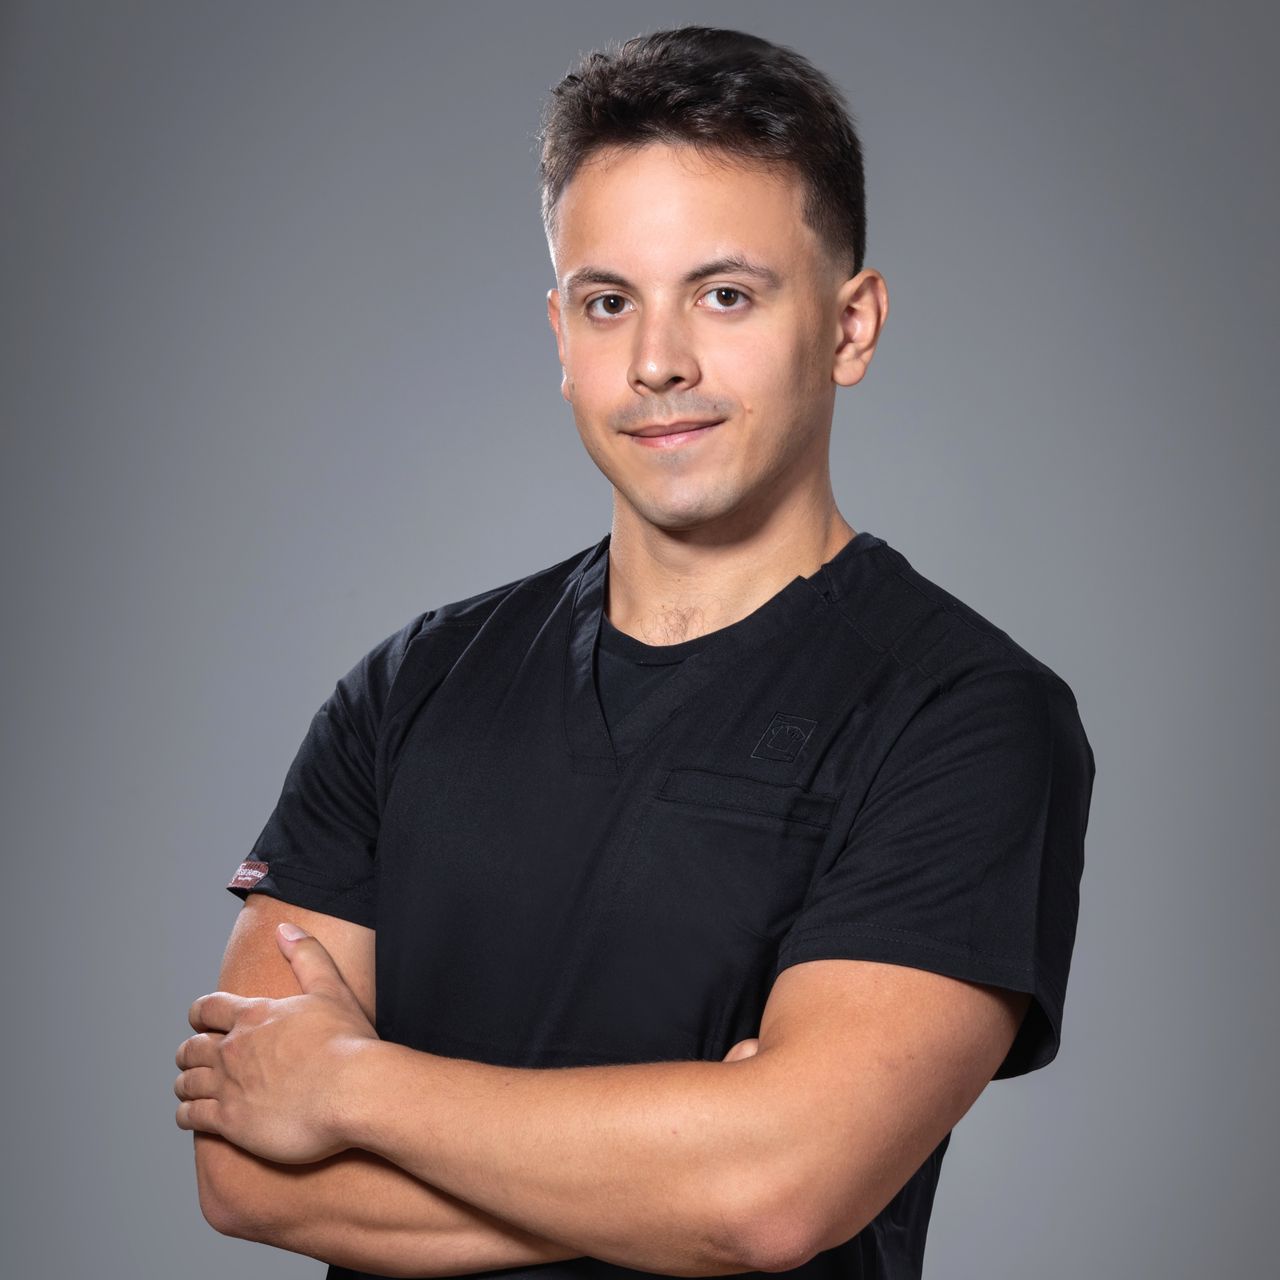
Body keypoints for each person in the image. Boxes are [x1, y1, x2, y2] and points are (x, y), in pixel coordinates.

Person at [174, 24, 1095, 1280]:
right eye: (609, 303)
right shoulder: (408, 689)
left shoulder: (962, 715)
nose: (657, 362)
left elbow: (771, 1192)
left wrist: (345, 1082)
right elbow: (240, 1165)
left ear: (849, 324)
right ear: (561, 333)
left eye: (725, 294)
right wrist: (688, 1167)